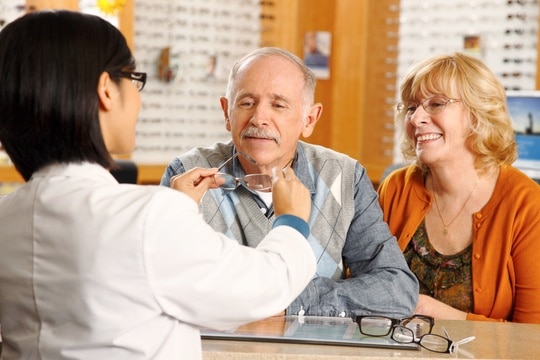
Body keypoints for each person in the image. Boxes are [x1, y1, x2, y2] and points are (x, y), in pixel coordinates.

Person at [0, 11, 317, 359]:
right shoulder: (148, 218)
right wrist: (291, 222)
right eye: (134, 80)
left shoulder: (8, 217)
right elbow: (262, 289)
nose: (139, 99)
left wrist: (169, 215)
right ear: (106, 90)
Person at [161, 47, 419, 318]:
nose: (259, 118)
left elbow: (396, 290)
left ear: (309, 119)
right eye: (247, 102)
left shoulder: (346, 177)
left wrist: (287, 305)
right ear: (227, 112)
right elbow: (165, 287)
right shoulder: (185, 175)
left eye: (278, 105)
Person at [378, 52, 540, 323]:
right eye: (410, 107)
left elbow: (533, 336)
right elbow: (363, 286)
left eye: (436, 104)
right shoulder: (396, 188)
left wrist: (439, 314)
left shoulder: (527, 205)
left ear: (478, 114)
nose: (417, 118)